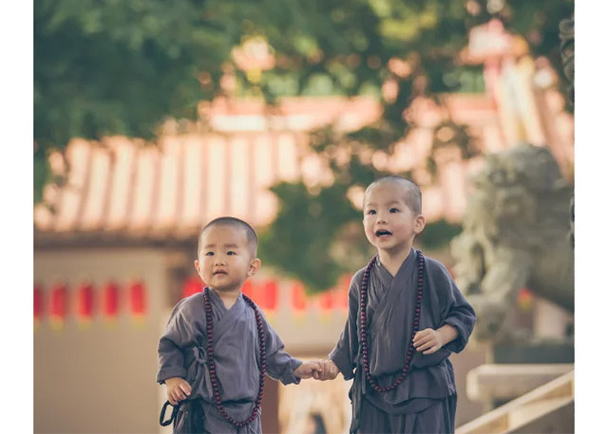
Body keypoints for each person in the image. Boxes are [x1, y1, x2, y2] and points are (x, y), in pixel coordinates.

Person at [316, 176, 476, 433]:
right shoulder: (361, 281)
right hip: (374, 393)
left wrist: (441, 335)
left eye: (393, 209)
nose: (381, 218)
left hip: (424, 389)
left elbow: (464, 315)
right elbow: (352, 338)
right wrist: (333, 365)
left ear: (418, 222)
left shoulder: (432, 272)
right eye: (371, 211)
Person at [157, 216, 321, 433]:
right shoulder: (192, 309)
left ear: (252, 267)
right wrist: (173, 378)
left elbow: (272, 355)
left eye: (230, 252)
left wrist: (298, 368)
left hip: (246, 416)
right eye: (210, 253)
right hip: (204, 413)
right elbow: (171, 345)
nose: (219, 260)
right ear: (198, 266)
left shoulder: (254, 315)